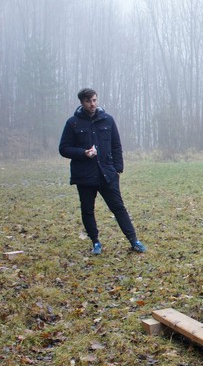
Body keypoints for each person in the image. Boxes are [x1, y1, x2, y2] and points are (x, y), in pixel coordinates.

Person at [58, 88, 146, 255]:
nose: (92, 104)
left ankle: (134, 240)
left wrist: (118, 169)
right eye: (88, 101)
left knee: (119, 208)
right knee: (88, 210)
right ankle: (95, 242)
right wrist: (83, 153)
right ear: (82, 103)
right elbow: (64, 148)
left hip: (107, 174)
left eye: (94, 100)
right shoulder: (72, 123)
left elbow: (116, 146)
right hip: (84, 176)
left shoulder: (108, 120)